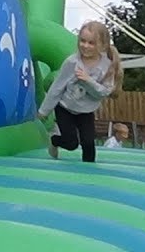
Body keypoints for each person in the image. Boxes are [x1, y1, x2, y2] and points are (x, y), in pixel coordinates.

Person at [36, 20, 123, 162]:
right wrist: (44, 111)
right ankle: (54, 141)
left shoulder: (107, 66)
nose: (85, 46)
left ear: (102, 45)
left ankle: (89, 172)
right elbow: (57, 87)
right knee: (71, 143)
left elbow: (103, 92)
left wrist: (88, 81)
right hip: (65, 108)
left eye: (91, 43)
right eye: (82, 41)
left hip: (86, 111)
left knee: (88, 144)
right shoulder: (72, 62)